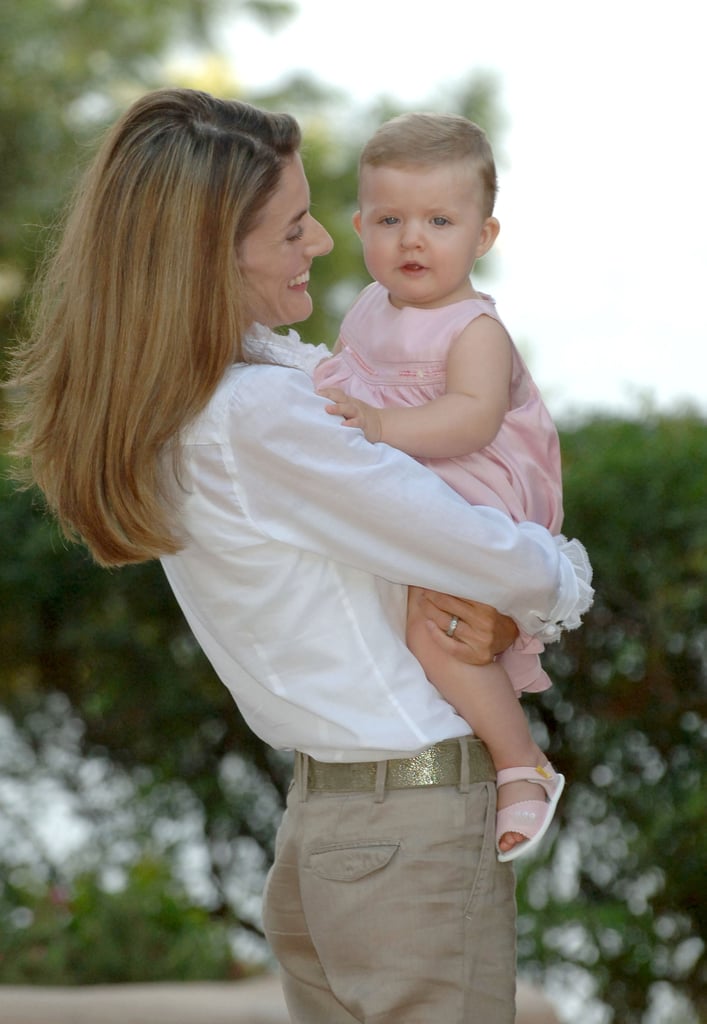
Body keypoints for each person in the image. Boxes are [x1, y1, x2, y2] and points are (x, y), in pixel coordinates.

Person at [5, 88, 593, 1024]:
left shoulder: (198, 400)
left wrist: (477, 609)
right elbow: (502, 559)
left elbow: (363, 565)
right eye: (289, 230)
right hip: (405, 830)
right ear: (210, 253)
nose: (323, 242)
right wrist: (546, 581)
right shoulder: (260, 415)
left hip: (331, 827)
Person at [315, 112, 575, 862]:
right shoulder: (367, 308)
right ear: (360, 225)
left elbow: (469, 420)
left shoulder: (474, 330)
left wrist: (376, 429)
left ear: (483, 236)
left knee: (439, 625)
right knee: (389, 608)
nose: (412, 240)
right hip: (403, 471)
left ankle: (519, 764)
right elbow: (339, 380)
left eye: (438, 220)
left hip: (475, 483)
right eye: (390, 219)